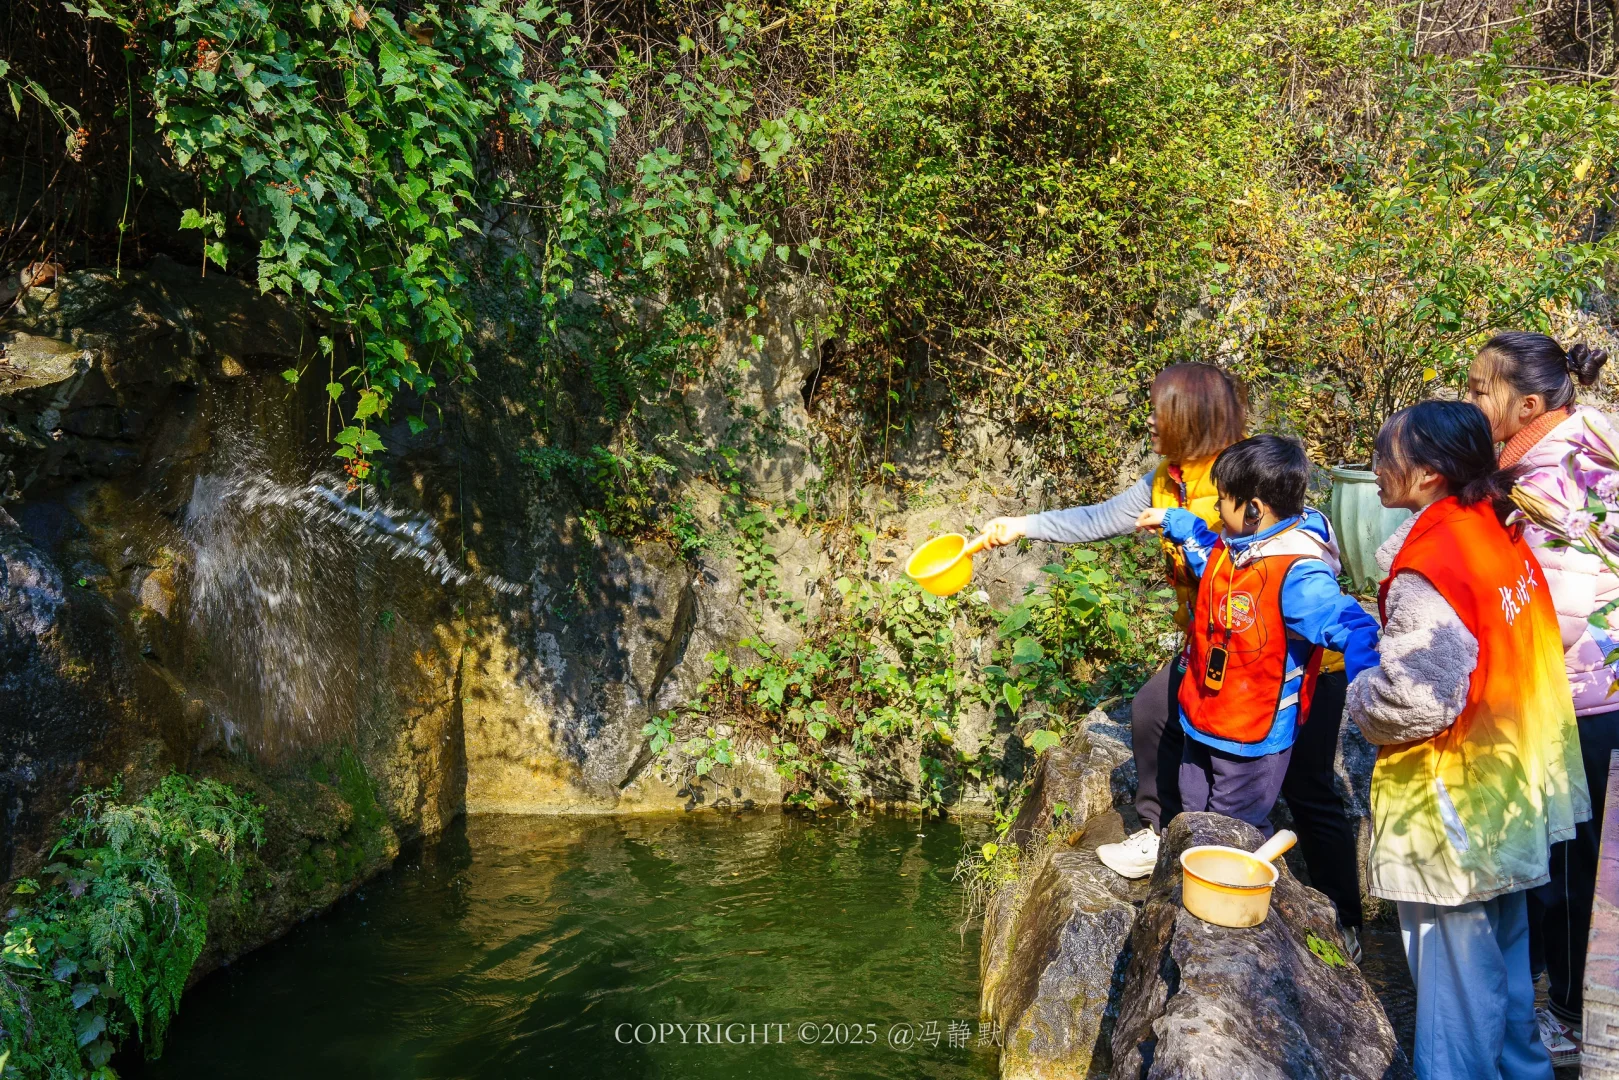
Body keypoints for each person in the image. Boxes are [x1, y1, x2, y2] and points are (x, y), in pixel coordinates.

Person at [1347, 400, 1590, 1080]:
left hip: (1451, 796)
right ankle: (1524, 1070)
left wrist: (1360, 689)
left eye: (1383, 454)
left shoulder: (1434, 561)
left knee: (1452, 978)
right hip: (1511, 783)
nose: (1373, 467)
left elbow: (1413, 700)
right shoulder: (1495, 529)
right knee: (1505, 955)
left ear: (1426, 473)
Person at [982, 363, 1243, 876]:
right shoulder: (1167, 479)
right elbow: (1098, 519)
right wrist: (1021, 525)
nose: (1149, 422)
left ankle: (1341, 916)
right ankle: (1160, 835)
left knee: (1308, 790)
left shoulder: (1245, 472)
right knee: (1152, 711)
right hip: (1208, 636)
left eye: (1158, 411)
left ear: (1190, 417)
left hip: (1259, 643)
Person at [1464, 331, 1616, 1065]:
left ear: (1525, 403)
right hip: (1603, 685)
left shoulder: (1549, 470)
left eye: (1475, 389)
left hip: (1581, 694)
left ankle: (1568, 1020)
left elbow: (1555, 612)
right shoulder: (1589, 444)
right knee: (1588, 865)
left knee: (1568, 870)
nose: (1466, 401)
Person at [1136, 436, 1380, 838]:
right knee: (1195, 817)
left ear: (1253, 509)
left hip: (1252, 734)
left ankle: (1244, 896)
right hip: (1205, 715)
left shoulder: (1297, 572)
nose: (1216, 509)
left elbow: (1346, 623)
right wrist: (1173, 522)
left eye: (1222, 501)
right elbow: (1202, 549)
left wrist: (1367, 674)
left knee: (1234, 832)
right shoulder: (1235, 548)